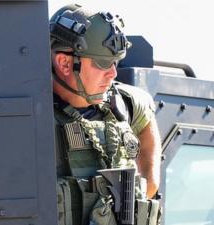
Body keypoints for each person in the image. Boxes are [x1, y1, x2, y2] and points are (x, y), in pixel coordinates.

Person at [51, 4, 162, 225]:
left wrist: (146, 183)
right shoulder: (30, 115)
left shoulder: (129, 103)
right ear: (64, 63)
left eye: (115, 62)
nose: (113, 73)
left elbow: (148, 137)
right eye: (102, 63)